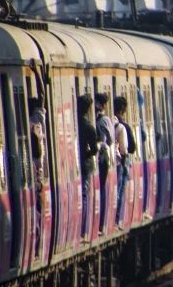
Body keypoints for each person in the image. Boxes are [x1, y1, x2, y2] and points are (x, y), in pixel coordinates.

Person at [28, 93, 46, 259]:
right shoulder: (35, 128)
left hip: (31, 178)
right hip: (35, 177)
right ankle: (36, 247)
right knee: (37, 212)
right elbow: (38, 154)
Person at [78, 94, 98, 241]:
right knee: (84, 196)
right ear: (89, 109)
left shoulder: (74, 126)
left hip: (74, 166)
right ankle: (83, 230)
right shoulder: (90, 128)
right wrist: (87, 153)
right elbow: (94, 150)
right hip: (86, 166)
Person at [95, 93, 114, 236]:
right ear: (105, 105)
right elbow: (111, 140)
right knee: (101, 190)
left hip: (96, 158)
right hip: (103, 159)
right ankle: (100, 224)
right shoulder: (106, 120)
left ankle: (97, 223)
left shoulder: (93, 119)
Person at [113, 96, 132, 228]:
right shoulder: (122, 127)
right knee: (120, 190)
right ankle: (116, 218)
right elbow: (126, 148)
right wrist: (124, 161)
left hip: (111, 161)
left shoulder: (108, 123)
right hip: (121, 161)